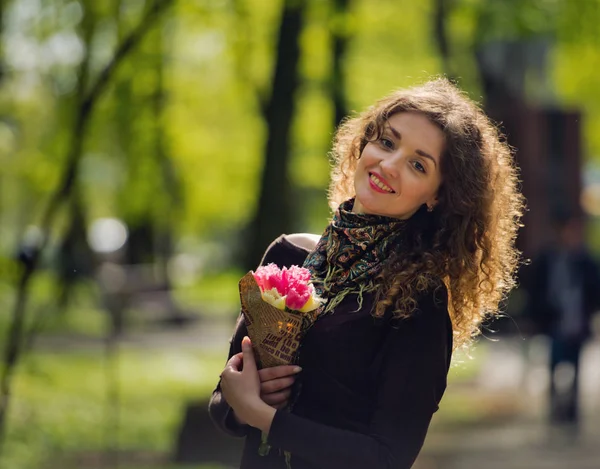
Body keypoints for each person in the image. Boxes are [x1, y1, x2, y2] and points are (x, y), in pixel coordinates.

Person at [208, 78, 525, 469]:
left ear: (437, 195)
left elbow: (388, 458)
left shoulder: (418, 302)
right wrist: (240, 405)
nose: (389, 165)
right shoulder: (287, 254)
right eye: (387, 142)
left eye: (417, 164)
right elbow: (225, 401)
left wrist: (264, 417)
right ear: (364, 144)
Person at [524, 211, 600, 427]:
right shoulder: (547, 258)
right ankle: (555, 412)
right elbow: (535, 289)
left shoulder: (585, 260)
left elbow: (595, 290)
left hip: (577, 323)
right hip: (555, 323)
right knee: (555, 366)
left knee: (575, 369)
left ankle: (573, 414)